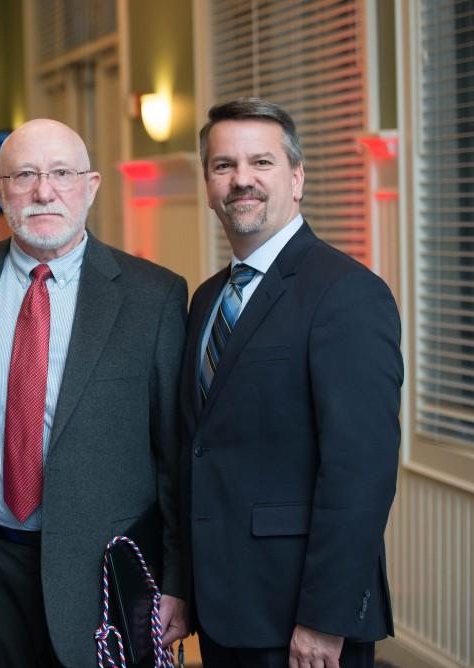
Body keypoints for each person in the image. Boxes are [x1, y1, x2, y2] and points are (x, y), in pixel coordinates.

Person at [0, 118, 188, 667]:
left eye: (61, 173)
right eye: (25, 175)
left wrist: (179, 581)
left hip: (104, 578)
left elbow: (175, 455)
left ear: (90, 186)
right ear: (0, 191)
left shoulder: (153, 297)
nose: (44, 191)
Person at [179, 98, 402, 668]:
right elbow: (202, 451)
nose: (241, 180)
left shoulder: (346, 293)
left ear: (297, 178)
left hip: (303, 618)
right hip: (225, 607)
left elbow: (361, 470)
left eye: (262, 163)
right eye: (223, 165)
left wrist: (325, 620)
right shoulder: (207, 299)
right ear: (207, 184)